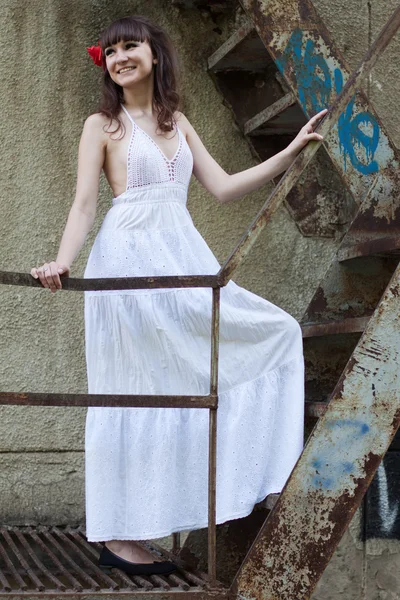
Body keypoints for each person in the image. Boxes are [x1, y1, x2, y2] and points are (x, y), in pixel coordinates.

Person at [31, 15, 327, 576]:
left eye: (130, 46)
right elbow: (84, 206)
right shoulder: (102, 125)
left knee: (262, 341)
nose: (120, 57)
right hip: (127, 268)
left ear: (154, 54)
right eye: (111, 50)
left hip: (183, 261)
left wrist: (290, 150)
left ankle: (235, 484)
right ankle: (119, 536)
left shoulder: (178, 122)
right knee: (133, 391)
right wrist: (63, 262)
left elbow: (223, 187)